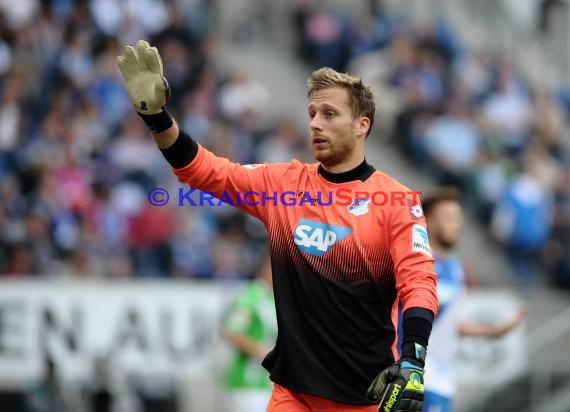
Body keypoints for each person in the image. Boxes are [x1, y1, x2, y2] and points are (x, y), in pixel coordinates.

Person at [116, 40, 438, 411]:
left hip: (365, 397)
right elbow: (202, 170)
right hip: (293, 394)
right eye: (312, 113)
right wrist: (157, 119)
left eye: (330, 114)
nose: (315, 123)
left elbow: (419, 283)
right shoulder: (283, 186)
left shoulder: (396, 200)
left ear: (361, 125)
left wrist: (414, 360)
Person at [419, 187, 526, 412]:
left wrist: (493, 332)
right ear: (429, 221)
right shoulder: (416, 263)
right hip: (415, 378)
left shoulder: (457, 269)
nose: (458, 224)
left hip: (442, 380)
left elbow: (448, 324)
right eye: (449, 217)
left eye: (459, 218)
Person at [222, 256, 277, 412]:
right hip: (247, 384)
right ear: (265, 269)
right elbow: (232, 331)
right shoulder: (252, 295)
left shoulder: (275, 297)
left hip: (267, 383)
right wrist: (263, 352)